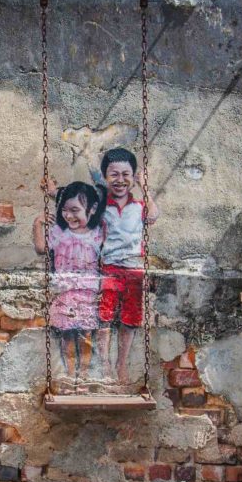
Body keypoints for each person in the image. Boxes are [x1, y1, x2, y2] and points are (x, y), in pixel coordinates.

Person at [93, 147, 159, 383]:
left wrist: (145, 187)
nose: (120, 180)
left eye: (126, 174)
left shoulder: (139, 207)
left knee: (130, 319)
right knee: (105, 317)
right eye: (114, 174)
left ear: (133, 177)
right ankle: (105, 366)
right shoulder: (101, 208)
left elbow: (153, 216)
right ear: (104, 177)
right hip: (108, 268)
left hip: (134, 270)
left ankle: (122, 364)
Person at [32, 180, 107, 386]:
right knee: (67, 335)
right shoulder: (59, 232)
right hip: (64, 293)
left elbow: (104, 205)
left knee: (86, 335)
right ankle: (69, 373)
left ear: (91, 210)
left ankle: (83, 375)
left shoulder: (97, 233)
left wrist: (56, 192)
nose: (69, 215)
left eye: (75, 210)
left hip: (87, 293)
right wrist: (37, 224)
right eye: (64, 210)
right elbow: (40, 248)